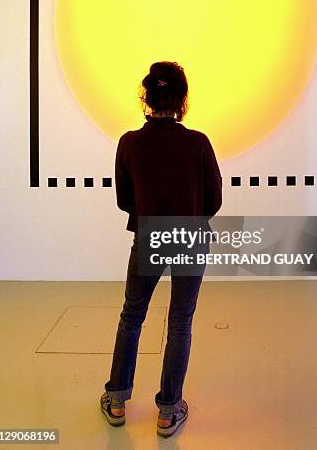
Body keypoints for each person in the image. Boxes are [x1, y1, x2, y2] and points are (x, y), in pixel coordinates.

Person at [100, 61, 222, 438]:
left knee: (132, 315)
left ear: (146, 96)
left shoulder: (130, 143)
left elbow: (125, 199)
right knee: (180, 322)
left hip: (149, 234)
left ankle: (117, 399)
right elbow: (213, 200)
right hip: (189, 236)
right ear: (182, 100)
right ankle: (168, 412)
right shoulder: (198, 142)